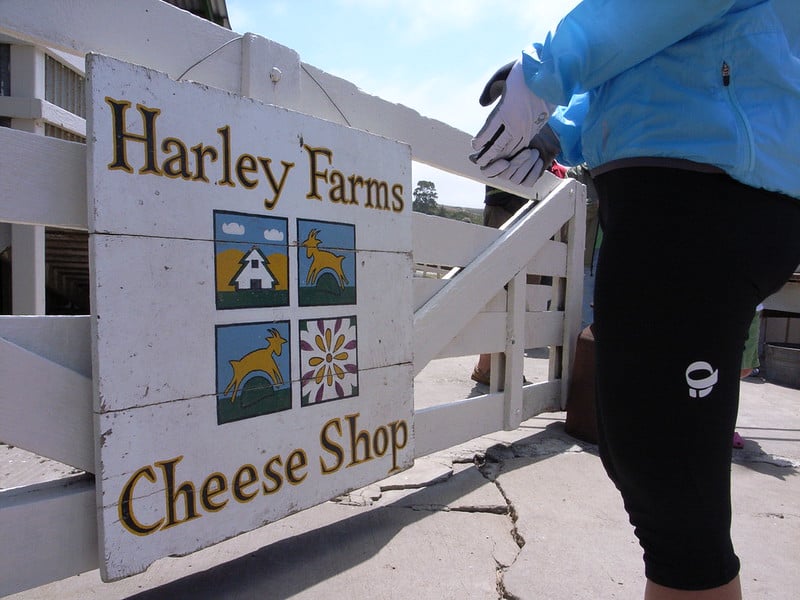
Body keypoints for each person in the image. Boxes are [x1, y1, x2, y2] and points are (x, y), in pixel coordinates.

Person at [470, 2, 800, 599]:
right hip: (677, 186)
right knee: (646, 462)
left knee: (669, 488)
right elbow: (638, 65)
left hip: (704, 191)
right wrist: (558, 129)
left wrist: (543, 73)